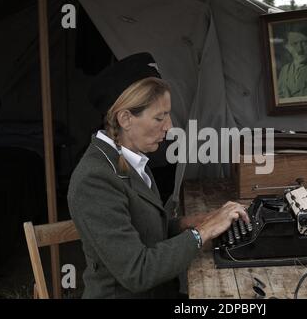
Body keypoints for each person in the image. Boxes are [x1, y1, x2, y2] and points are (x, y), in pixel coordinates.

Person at [67, 52, 249, 299]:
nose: (169, 126)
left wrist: (187, 224)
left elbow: (142, 232)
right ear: (126, 118)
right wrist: (201, 233)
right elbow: (137, 272)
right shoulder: (94, 179)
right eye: (159, 117)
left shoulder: (129, 158)